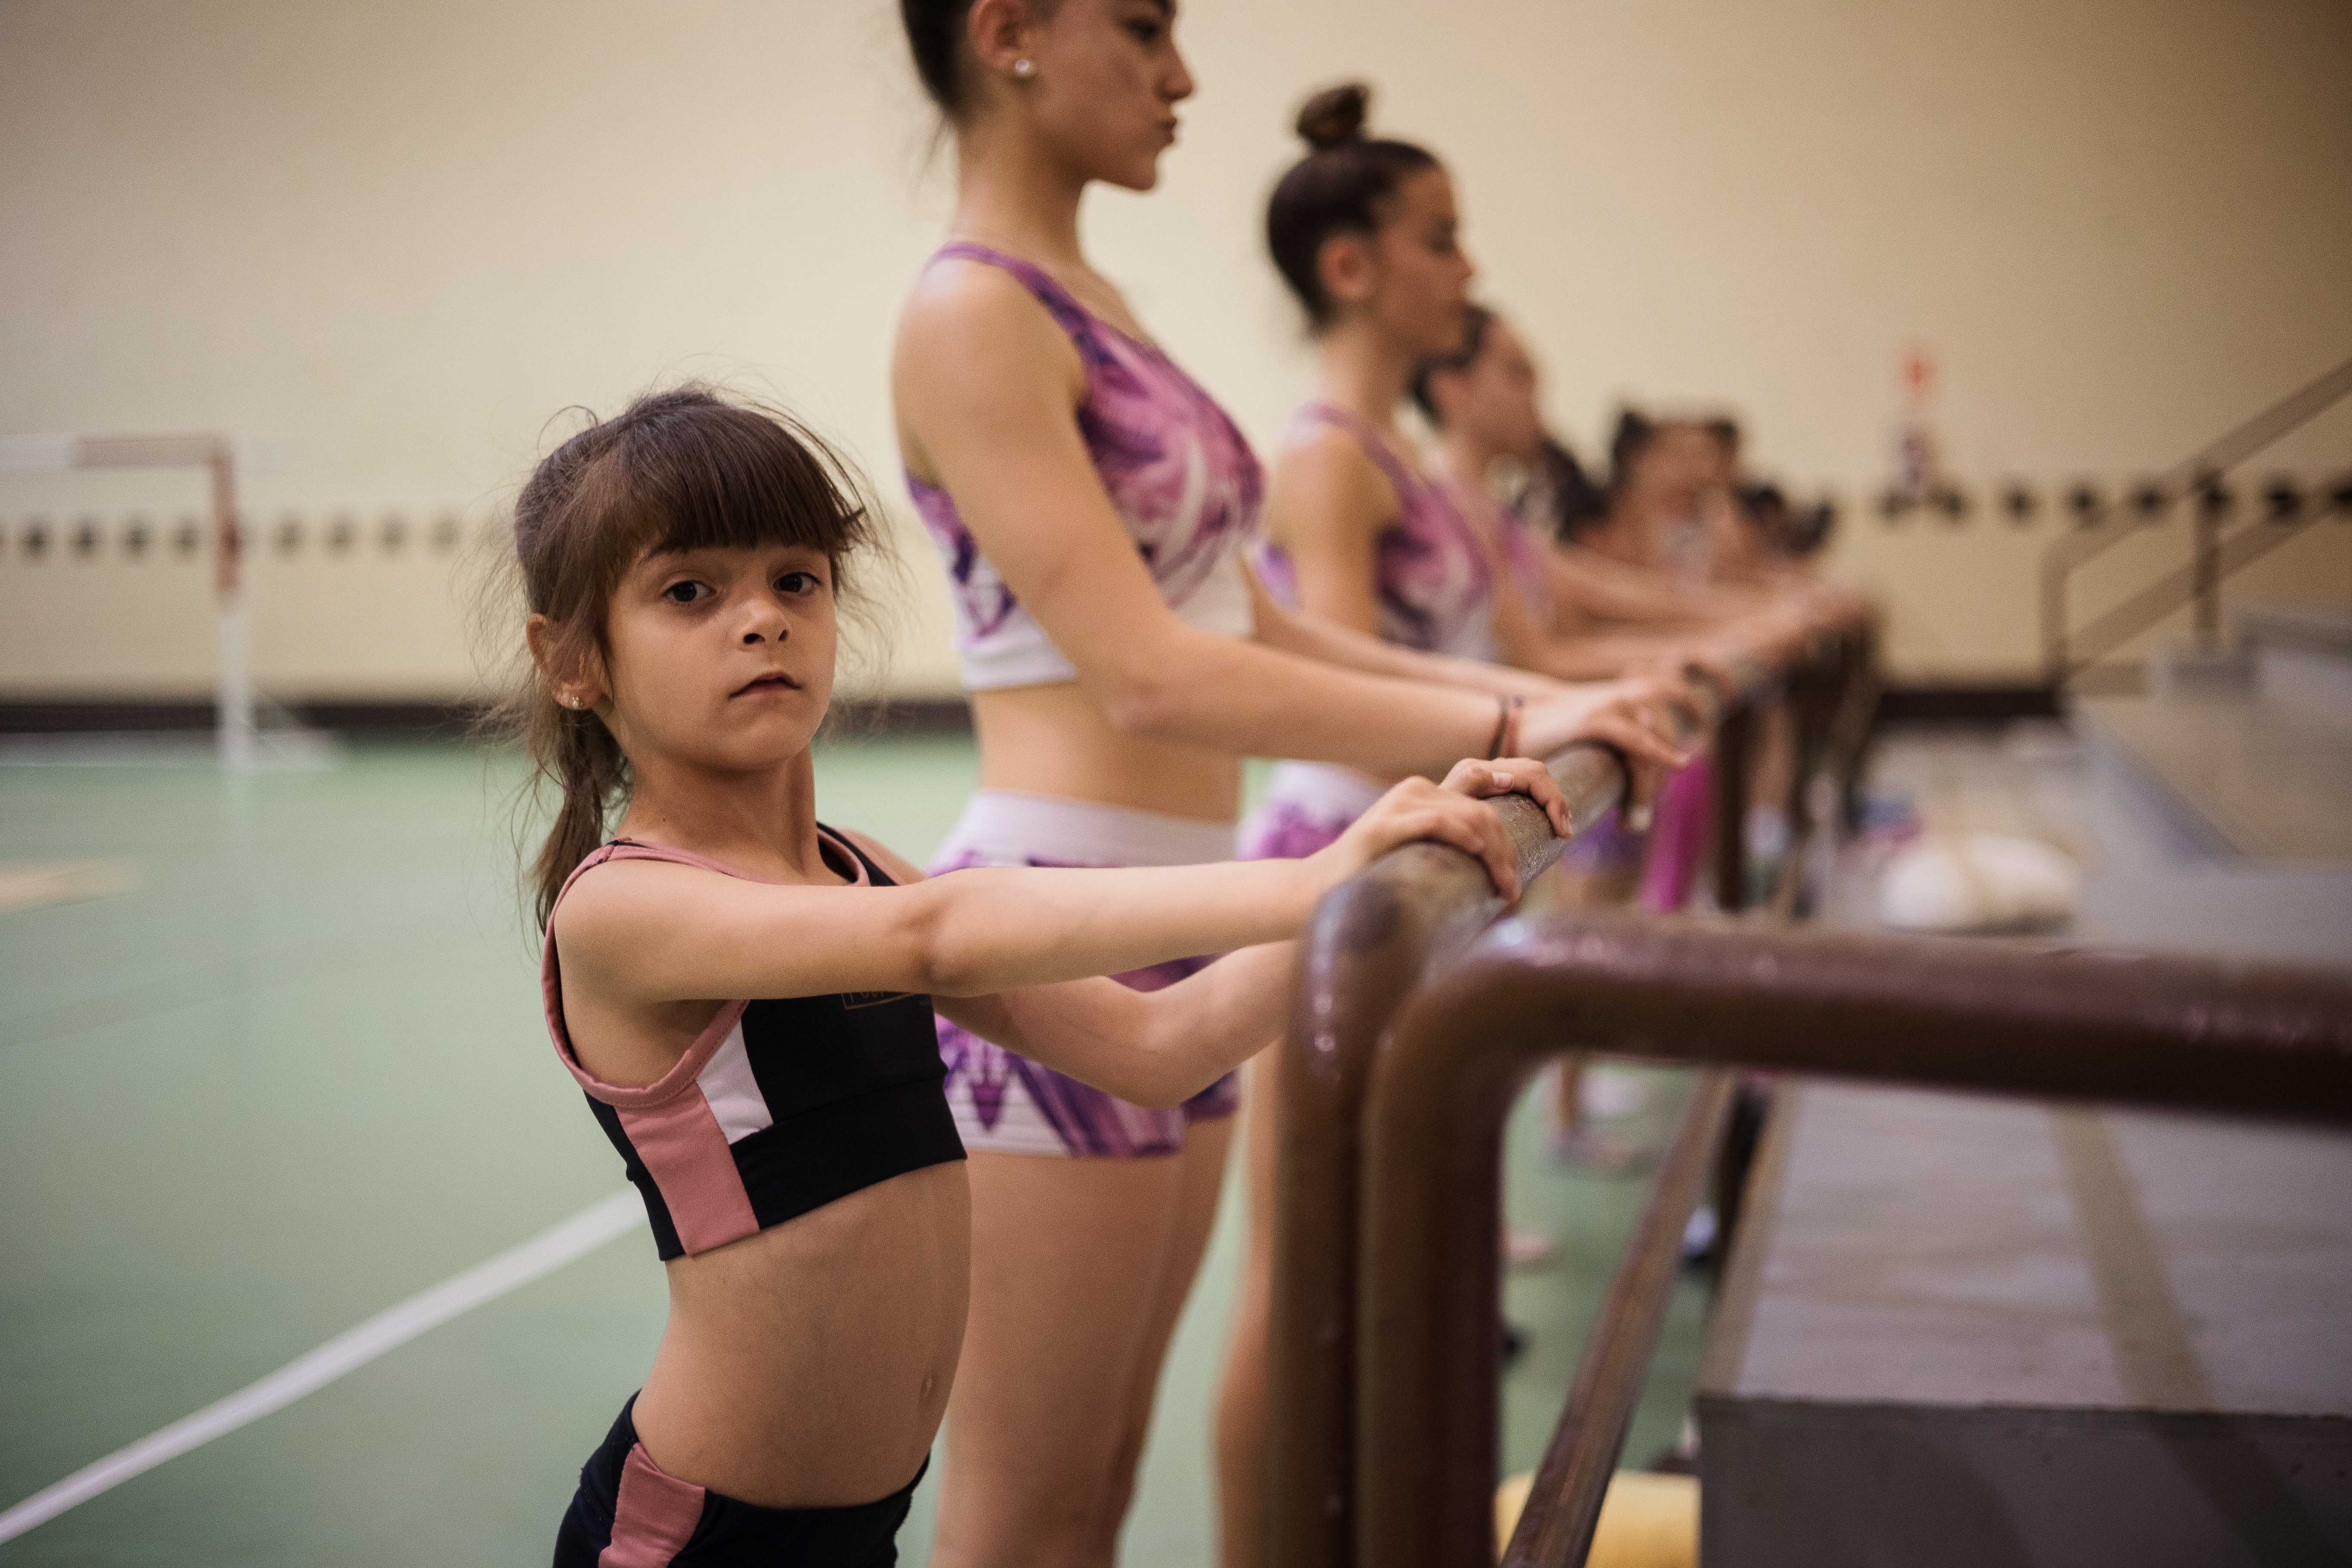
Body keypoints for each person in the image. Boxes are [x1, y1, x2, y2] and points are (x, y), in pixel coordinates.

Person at [512, 386, 1585, 1566]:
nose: (761, 620)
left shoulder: (859, 870)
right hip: (702, 1542)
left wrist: (1387, 906)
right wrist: (1313, 876)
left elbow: (1156, 1049)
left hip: (861, 1532)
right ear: (571, 661)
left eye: (796, 579)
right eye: (689, 593)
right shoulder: (623, 907)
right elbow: (947, 936)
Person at [888, 7, 1688, 1563]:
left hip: (1196, 911)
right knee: (1031, 1510)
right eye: (1143, 26)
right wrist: (1521, 714)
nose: (1183, 77)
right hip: (1068, 909)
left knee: (1109, 1480)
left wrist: (1542, 701)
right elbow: (1150, 673)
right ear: (1007, 33)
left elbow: (1256, 621)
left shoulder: (1096, 302)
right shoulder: (970, 314)